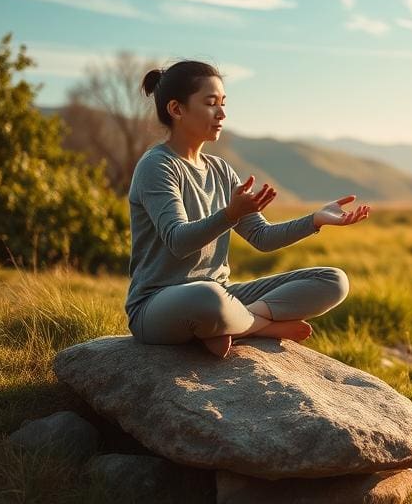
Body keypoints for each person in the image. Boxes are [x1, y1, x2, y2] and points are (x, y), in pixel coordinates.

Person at [125, 60, 370, 359]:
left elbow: (262, 237)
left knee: (333, 280)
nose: (222, 113)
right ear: (177, 109)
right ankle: (259, 326)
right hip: (157, 305)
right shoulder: (157, 166)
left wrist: (315, 220)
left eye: (223, 103)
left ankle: (234, 325)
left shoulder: (220, 169)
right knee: (207, 296)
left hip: (221, 295)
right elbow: (178, 241)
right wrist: (230, 214)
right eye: (211, 103)